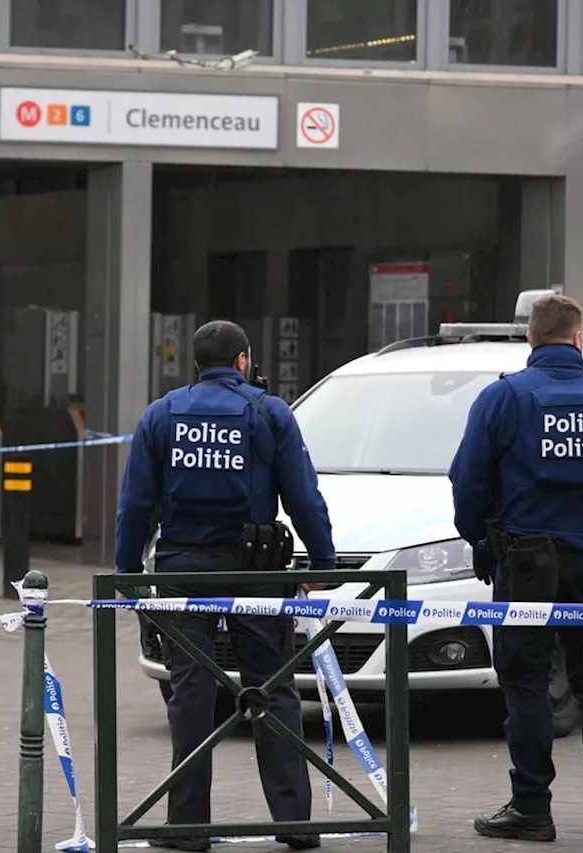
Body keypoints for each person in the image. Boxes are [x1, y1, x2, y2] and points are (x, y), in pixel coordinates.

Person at [115, 319, 336, 852]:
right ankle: (294, 824)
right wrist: (324, 561)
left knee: (191, 691)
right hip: (254, 571)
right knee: (272, 688)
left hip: (182, 569)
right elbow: (303, 495)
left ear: (197, 363)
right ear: (242, 361)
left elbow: (136, 502)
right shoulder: (268, 412)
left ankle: (188, 828)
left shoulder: (162, 414)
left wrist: (125, 572)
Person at [448, 294, 583, 844]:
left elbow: (467, 481)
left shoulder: (503, 399)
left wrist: (477, 537)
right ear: (579, 338)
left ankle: (531, 809)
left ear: (529, 339)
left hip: (524, 566)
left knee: (525, 684)